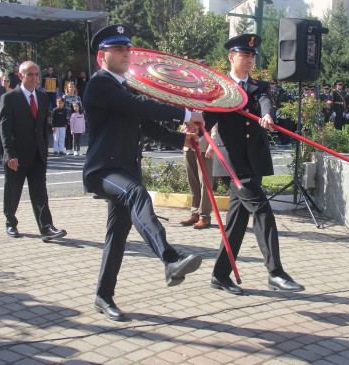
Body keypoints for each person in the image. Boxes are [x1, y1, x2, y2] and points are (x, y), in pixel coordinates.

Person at [83, 24, 204, 322]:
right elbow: (139, 105)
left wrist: (182, 139)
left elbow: (145, 125)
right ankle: (169, 258)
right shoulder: (100, 85)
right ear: (102, 57)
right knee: (138, 195)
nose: (126, 54)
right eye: (118, 49)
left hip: (124, 170)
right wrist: (186, 113)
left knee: (117, 236)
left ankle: (103, 296)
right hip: (103, 171)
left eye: (127, 49)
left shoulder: (123, 87)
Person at [204, 33, 305, 296]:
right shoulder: (221, 87)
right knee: (262, 210)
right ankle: (275, 273)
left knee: (237, 221)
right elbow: (206, 115)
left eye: (252, 56)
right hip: (232, 162)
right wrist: (193, 125)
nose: (249, 60)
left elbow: (265, 103)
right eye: (244, 55)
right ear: (231, 57)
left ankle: (220, 275)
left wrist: (268, 115)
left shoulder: (259, 86)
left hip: (254, 161)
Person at [0, 60, 67, 242]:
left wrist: (45, 151)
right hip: (17, 155)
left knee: (40, 192)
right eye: (30, 74)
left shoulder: (43, 97)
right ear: (21, 76)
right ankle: (10, 223)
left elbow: (43, 128)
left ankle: (46, 228)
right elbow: (4, 130)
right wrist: (9, 154)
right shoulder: (9, 98)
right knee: (13, 190)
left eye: (36, 74)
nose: (34, 78)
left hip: (37, 155)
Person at [179, 123, 215, 229]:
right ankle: (195, 213)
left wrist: (212, 145)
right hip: (188, 146)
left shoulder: (210, 105)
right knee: (193, 182)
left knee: (205, 183)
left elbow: (215, 127)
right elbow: (185, 123)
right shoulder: (190, 106)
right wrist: (182, 141)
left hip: (204, 147)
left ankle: (205, 217)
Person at [62, 81, 82, 155]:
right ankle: (68, 148)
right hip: (67, 118)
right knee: (68, 134)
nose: (71, 88)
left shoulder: (78, 97)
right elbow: (62, 108)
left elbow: (80, 107)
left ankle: (76, 149)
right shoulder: (65, 97)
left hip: (76, 119)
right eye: (70, 87)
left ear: (74, 88)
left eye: (72, 87)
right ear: (67, 88)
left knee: (76, 135)